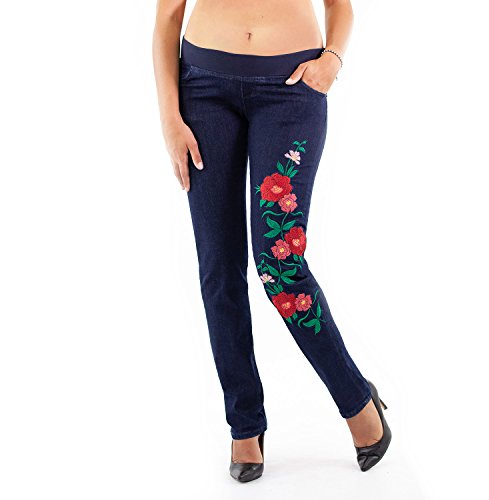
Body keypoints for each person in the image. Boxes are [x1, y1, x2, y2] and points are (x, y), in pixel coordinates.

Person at [152, 0, 392, 482]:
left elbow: (339, 6)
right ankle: (244, 423)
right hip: (203, 89)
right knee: (219, 267)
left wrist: (333, 59)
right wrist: (169, 118)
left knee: (279, 265)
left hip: (292, 92)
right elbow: (167, 18)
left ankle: (355, 398)